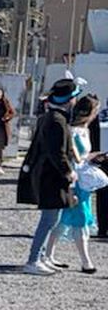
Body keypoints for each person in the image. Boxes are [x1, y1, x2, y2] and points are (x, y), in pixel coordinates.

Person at [18, 77, 79, 277]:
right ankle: (33, 259)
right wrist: (68, 171)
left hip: (48, 174)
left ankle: (42, 256)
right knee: (48, 220)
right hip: (51, 176)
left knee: (52, 219)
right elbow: (57, 152)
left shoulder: (50, 117)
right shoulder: (57, 121)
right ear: (69, 99)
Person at [54, 93, 102, 274]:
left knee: (64, 221)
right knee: (79, 219)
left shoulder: (84, 130)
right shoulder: (72, 131)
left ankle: (47, 252)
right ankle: (85, 261)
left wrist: (95, 156)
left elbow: (81, 157)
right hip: (74, 180)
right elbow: (72, 157)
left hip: (84, 180)